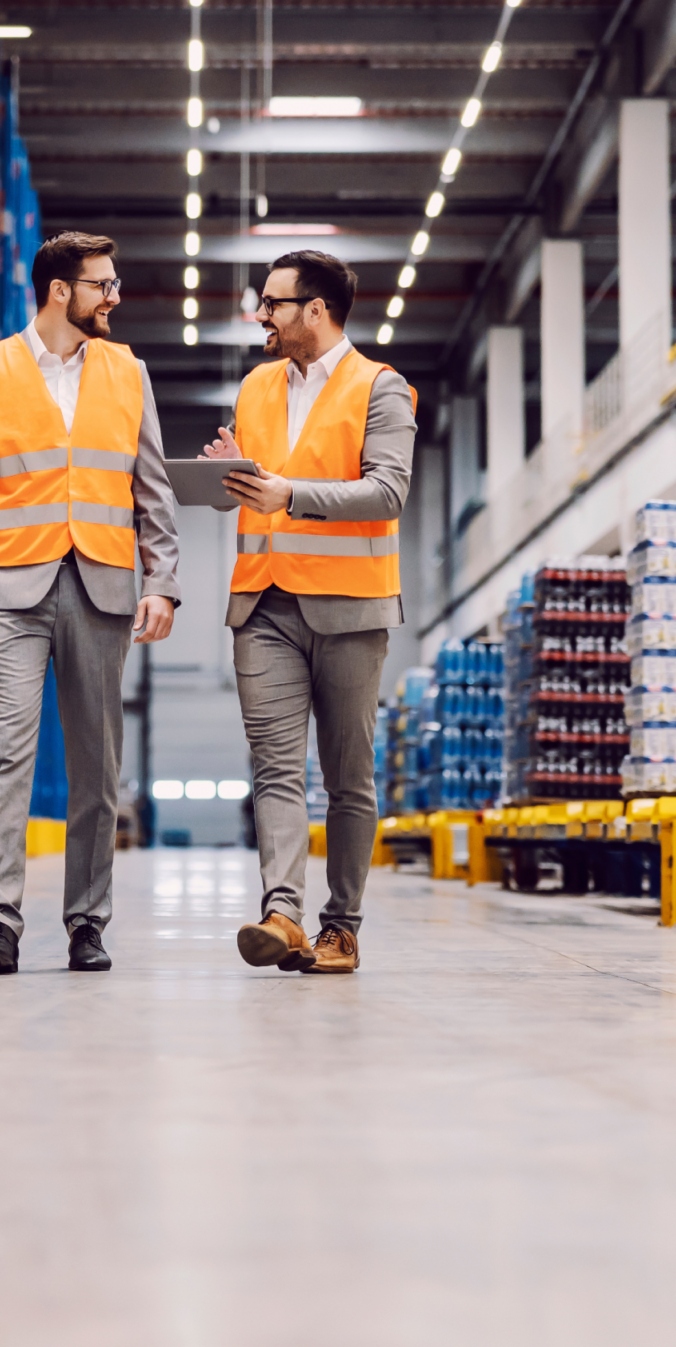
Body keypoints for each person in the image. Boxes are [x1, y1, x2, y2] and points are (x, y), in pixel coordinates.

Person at [0, 230, 181, 975]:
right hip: (9, 587)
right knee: (5, 753)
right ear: (59, 291)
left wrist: (162, 581)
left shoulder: (128, 371)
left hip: (102, 584)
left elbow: (153, 488)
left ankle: (87, 921)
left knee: (97, 766)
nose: (115, 296)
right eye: (102, 284)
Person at [203, 250, 415, 975]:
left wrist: (286, 492)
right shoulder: (256, 387)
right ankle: (283, 914)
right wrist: (230, 471)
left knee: (348, 776)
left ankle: (341, 928)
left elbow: (388, 493)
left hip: (351, 609)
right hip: (262, 600)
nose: (261, 315)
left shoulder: (381, 390)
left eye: (273, 303)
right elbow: (260, 486)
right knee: (275, 768)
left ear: (315, 311)